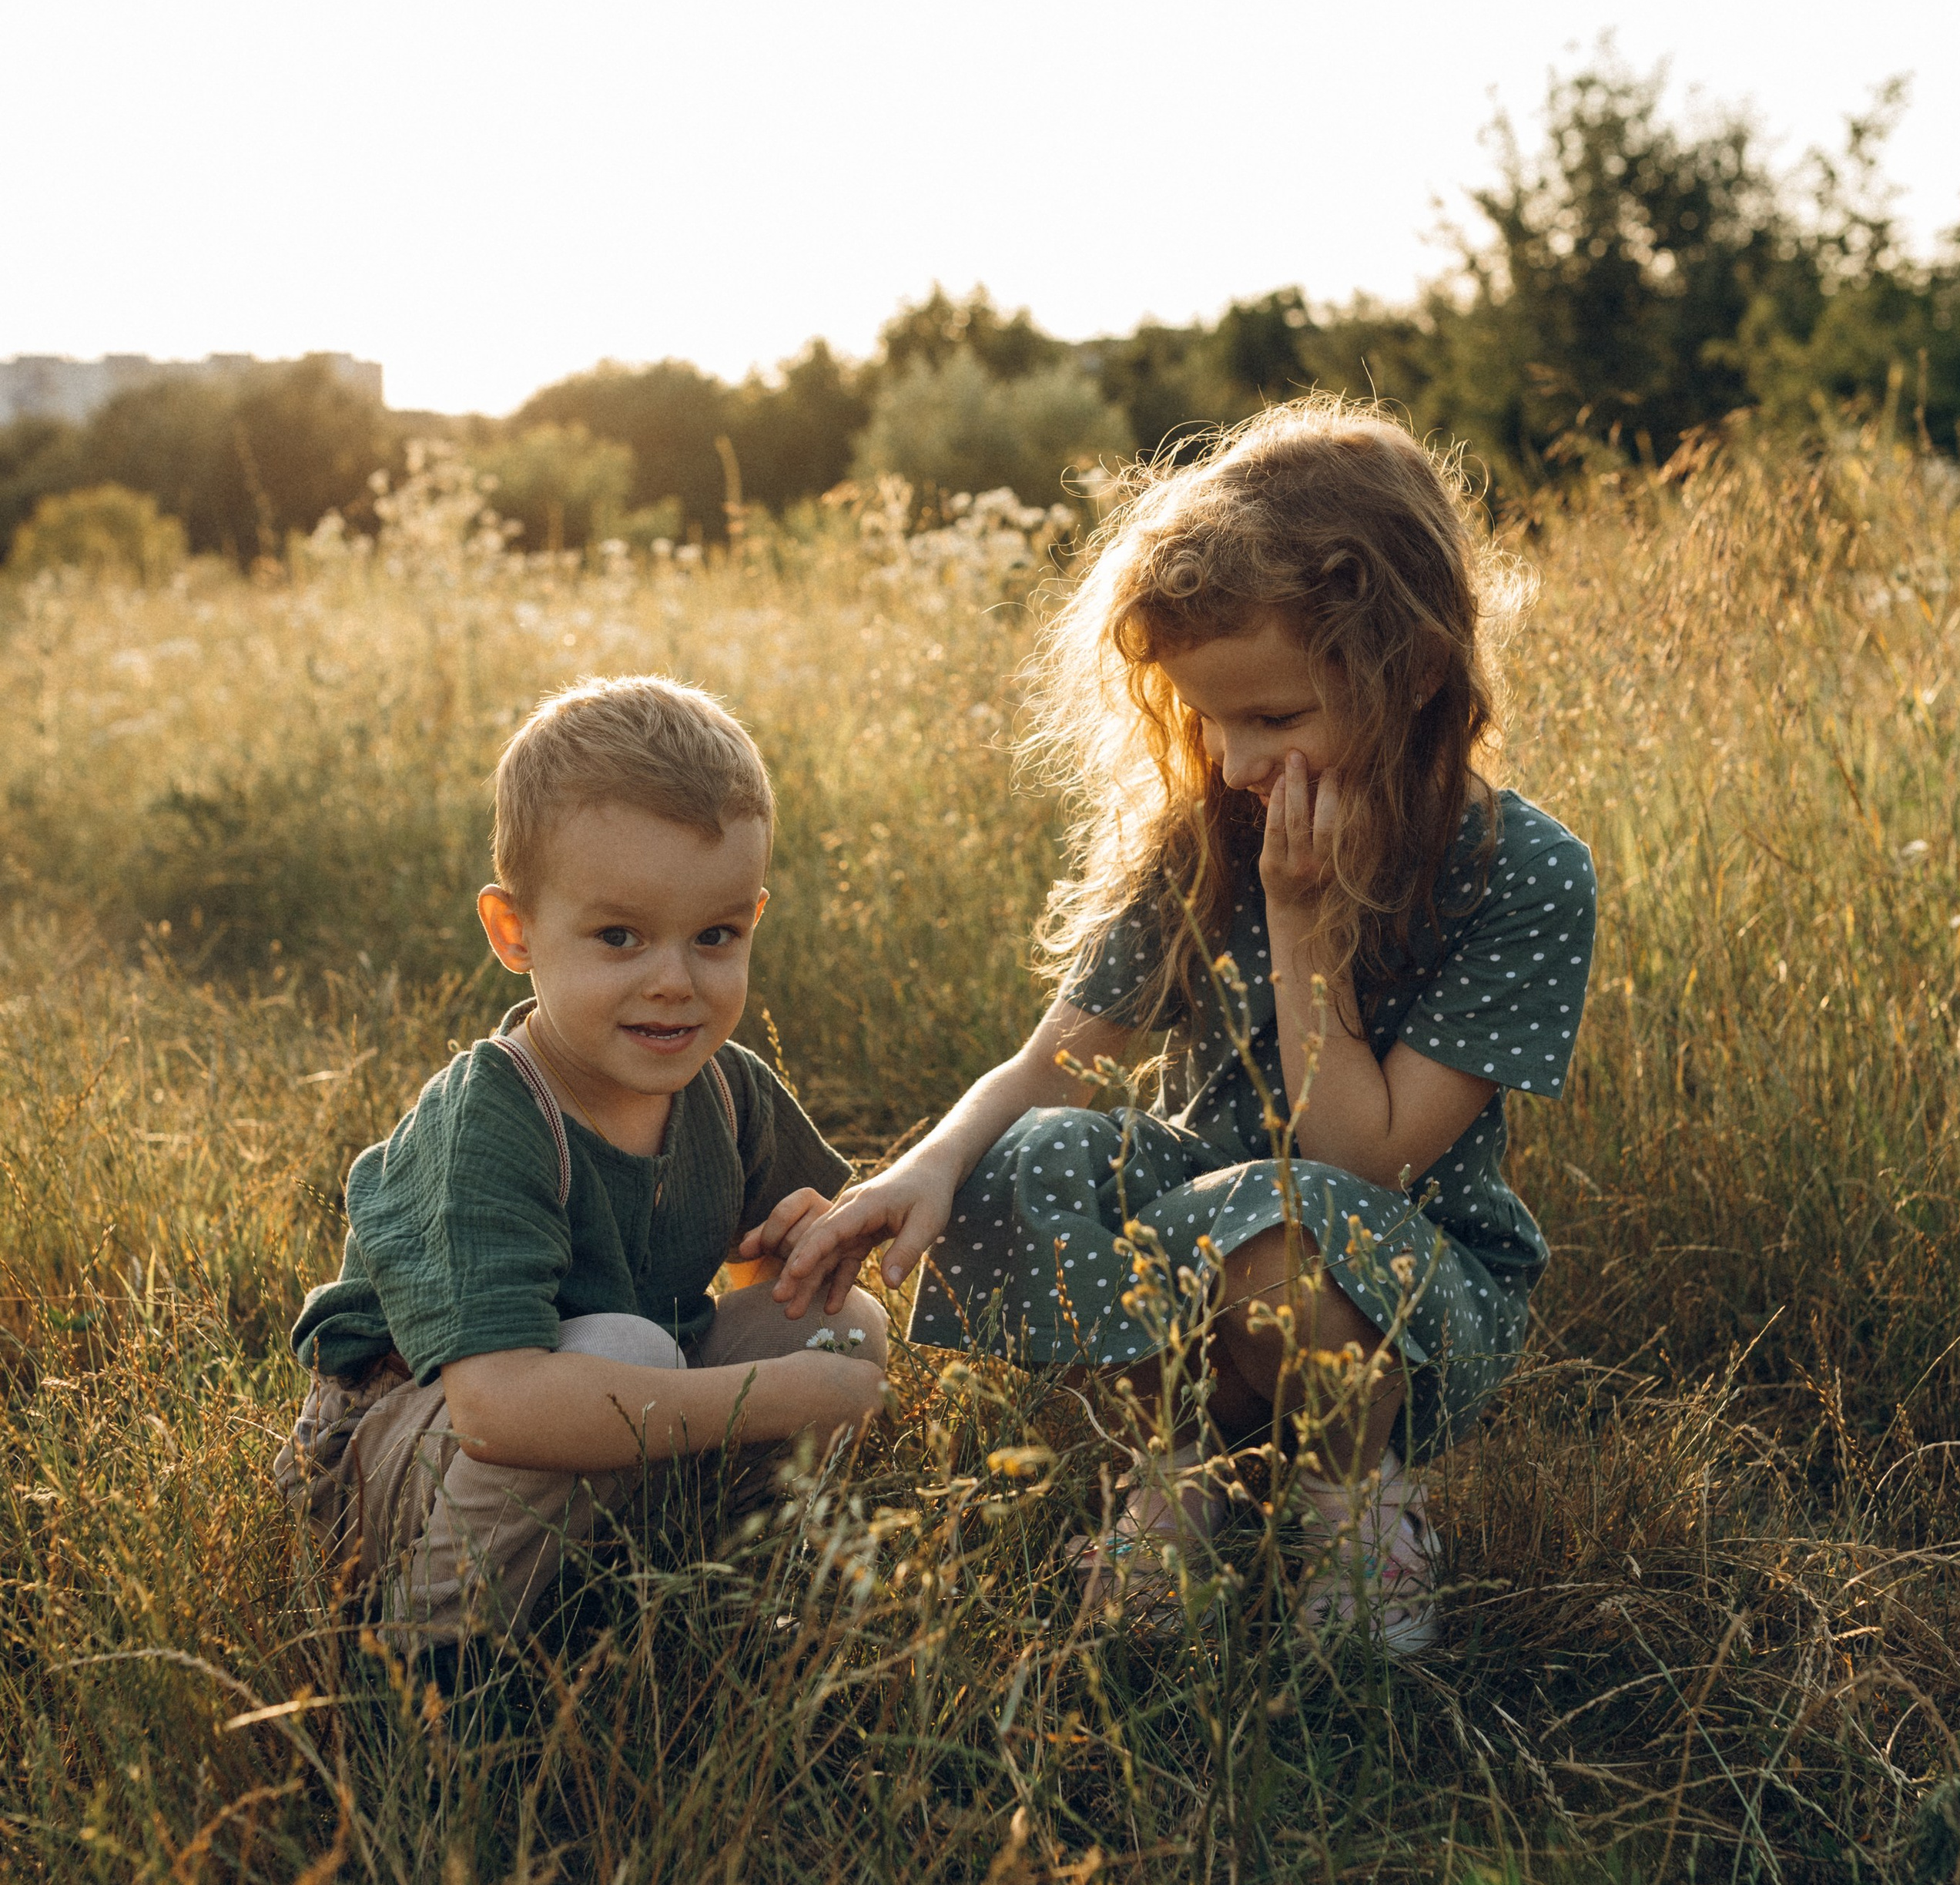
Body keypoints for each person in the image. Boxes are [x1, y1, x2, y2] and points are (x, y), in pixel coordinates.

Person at [776, 402, 1595, 1654]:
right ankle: (1177, 1473)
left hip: (1408, 1298)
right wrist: (923, 1171)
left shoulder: (1520, 874)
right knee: (1033, 1159)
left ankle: (1357, 1508)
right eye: (1211, 719)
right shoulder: (1208, 835)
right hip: (1203, 1253)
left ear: (1417, 675)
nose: (1235, 759)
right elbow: (1053, 1065)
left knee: (1283, 1229)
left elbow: (1362, 1160)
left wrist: (1304, 927)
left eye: (1274, 718)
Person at [279, 675, 887, 1651]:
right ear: (514, 932)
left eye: (716, 936)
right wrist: (771, 1398)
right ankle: (434, 1658)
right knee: (627, 1349)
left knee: (837, 1326)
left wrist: (800, 1253)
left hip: (609, 1420)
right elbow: (500, 1410)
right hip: (402, 1461)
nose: (674, 982)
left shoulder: (727, 1088)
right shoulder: (490, 1118)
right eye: (618, 937)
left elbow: (769, 1285)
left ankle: (703, 1582)